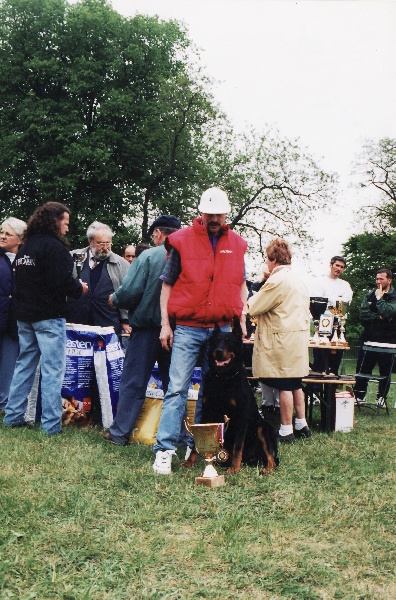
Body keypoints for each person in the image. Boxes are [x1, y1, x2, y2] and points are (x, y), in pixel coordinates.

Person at [153, 187, 248, 475]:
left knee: (213, 393)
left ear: (226, 215)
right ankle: (165, 451)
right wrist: (166, 324)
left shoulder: (238, 244)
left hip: (221, 329)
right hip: (188, 328)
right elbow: (166, 285)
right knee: (177, 388)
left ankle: (204, 449)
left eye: (220, 214)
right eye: (210, 214)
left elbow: (241, 284)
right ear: (201, 214)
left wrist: (242, 317)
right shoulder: (181, 242)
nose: (215, 218)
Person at [3, 202, 88, 434]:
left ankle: (12, 416)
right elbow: (61, 282)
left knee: (24, 366)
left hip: (25, 316)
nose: (67, 228)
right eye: (65, 223)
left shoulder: (25, 247)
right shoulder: (54, 248)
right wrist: (79, 288)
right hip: (49, 317)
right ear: (54, 221)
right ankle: (50, 425)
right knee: (52, 370)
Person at [103, 215, 181, 445]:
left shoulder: (148, 256)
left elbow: (130, 291)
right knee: (175, 386)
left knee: (133, 382)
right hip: (177, 332)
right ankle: (177, 436)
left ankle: (119, 433)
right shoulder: (186, 256)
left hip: (146, 330)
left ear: (158, 233)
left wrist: (114, 299)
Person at [247, 238, 311, 442]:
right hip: (297, 338)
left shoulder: (277, 280)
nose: (266, 263)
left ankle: (286, 429)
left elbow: (253, 307)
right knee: (295, 384)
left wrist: (257, 286)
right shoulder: (298, 278)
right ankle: (302, 424)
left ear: (273, 259)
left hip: (282, 339)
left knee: (284, 384)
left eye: (267, 259)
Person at [67, 222, 130, 338]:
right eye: (101, 243)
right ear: (90, 242)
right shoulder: (72, 257)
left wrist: (125, 319)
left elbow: (127, 292)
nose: (105, 247)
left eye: (108, 243)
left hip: (108, 324)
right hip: (75, 323)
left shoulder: (122, 264)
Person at [354, 268, 396, 406]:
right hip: (369, 339)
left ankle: (381, 398)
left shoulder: (394, 296)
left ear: (389, 280)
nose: (378, 281)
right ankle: (359, 396)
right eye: (377, 278)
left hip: (388, 340)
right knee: (363, 369)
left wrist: (380, 299)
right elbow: (363, 315)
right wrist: (379, 317)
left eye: (381, 279)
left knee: (385, 371)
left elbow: (389, 312)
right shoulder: (369, 295)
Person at [0, 217, 27, 412]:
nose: (2, 236)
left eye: (7, 234)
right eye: (1, 232)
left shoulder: (27, 260)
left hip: (14, 321)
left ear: (20, 239)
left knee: (9, 364)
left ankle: (4, 403)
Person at [311, 256, 353, 375]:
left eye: (342, 267)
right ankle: (316, 390)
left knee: (335, 362)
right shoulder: (319, 282)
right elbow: (318, 303)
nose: (339, 269)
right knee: (320, 361)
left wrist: (328, 299)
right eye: (337, 265)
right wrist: (336, 300)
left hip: (339, 325)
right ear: (331, 265)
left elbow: (346, 302)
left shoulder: (345, 285)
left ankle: (331, 391)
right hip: (322, 324)